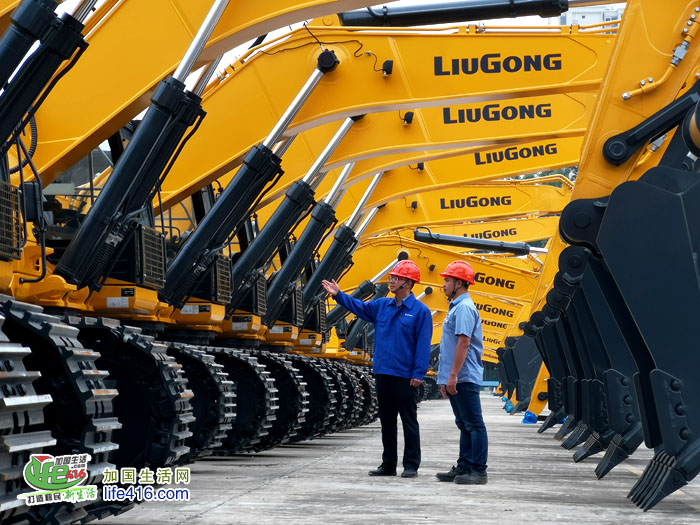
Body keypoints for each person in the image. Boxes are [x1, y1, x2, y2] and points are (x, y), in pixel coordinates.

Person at [321, 259, 432, 478]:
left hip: (405, 376)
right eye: (391, 277)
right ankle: (388, 464)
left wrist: (419, 373)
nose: (391, 281)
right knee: (387, 422)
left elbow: (423, 345)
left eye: (396, 278)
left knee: (409, 421)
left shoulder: (420, 311)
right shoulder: (382, 306)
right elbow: (360, 307)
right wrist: (339, 295)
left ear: (408, 283)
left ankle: (411, 465)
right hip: (383, 373)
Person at [435, 260, 488, 485]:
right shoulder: (456, 307)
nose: (444, 285)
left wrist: (453, 375)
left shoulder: (464, 308)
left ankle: (479, 470)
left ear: (459, 283)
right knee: (464, 424)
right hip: (456, 376)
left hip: (464, 376)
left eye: (447, 280)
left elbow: (464, 343)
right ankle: (464, 466)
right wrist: (445, 378)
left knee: (474, 424)